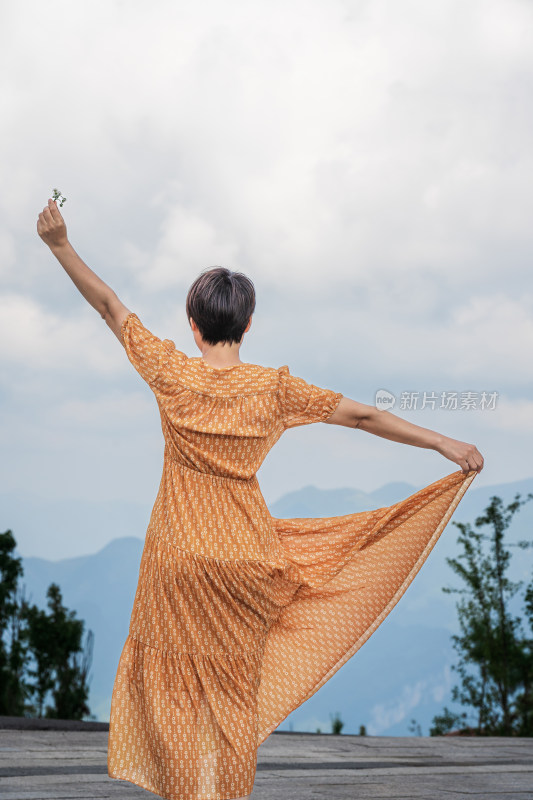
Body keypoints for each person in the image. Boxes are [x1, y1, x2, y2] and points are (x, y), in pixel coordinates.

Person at [37, 198, 483, 800]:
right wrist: (442, 442)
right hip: (246, 559)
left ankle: (177, 788)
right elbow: (363, 415)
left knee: (171, 683)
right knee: (232, 691)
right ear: (247, 326)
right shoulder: (274, 390)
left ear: (193, 325)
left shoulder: (171, 373)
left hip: (177, 557)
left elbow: (111, 306)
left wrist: (60, 243)